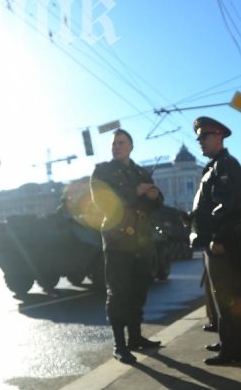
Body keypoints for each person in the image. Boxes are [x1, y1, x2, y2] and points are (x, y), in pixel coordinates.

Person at [90, 129, 163, 364]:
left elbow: (156, 204)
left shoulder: (141, 171)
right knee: (119, 293)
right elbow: (103, 202)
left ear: (131, 146)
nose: (116, 147)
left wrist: (154, 196)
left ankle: (136, 338)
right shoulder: (103, 171)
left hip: (141, 241)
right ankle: (119, 345)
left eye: (121, 143)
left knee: (138, 292)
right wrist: (135, 191)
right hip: (117, 240)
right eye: (114, 144)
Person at [190, 116, 241, 365]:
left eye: (204, 137)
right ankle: (227, 342)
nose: (199, 141)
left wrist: (217, 237)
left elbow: (229, 207)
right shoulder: (215, 166)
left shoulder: (226, 165)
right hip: (213, 242)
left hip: (221, 243)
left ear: (218, 136)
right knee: (220, 297)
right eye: (199, 137)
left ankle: (232, 352)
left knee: (226, 298)